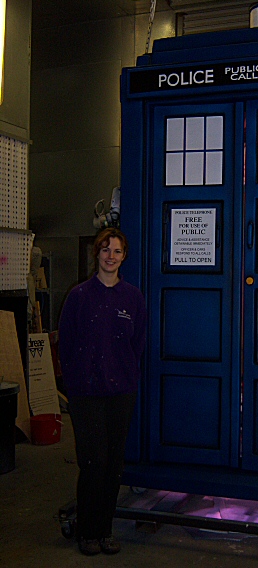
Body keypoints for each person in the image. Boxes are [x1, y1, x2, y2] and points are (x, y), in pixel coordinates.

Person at [58, 228, 146, 556]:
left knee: (113, 464)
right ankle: (87, 532)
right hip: (86, 393)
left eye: (117, 251)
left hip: (121, 391)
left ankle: (105, 531)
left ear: (124, 257)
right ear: (97, 254)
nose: (111, 256)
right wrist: (77, 380)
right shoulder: (79, 296)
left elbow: (138, 343)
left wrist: (125, 375)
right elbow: (65, 344)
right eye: (106, 250)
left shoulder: (133, 298)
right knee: (93, 461)